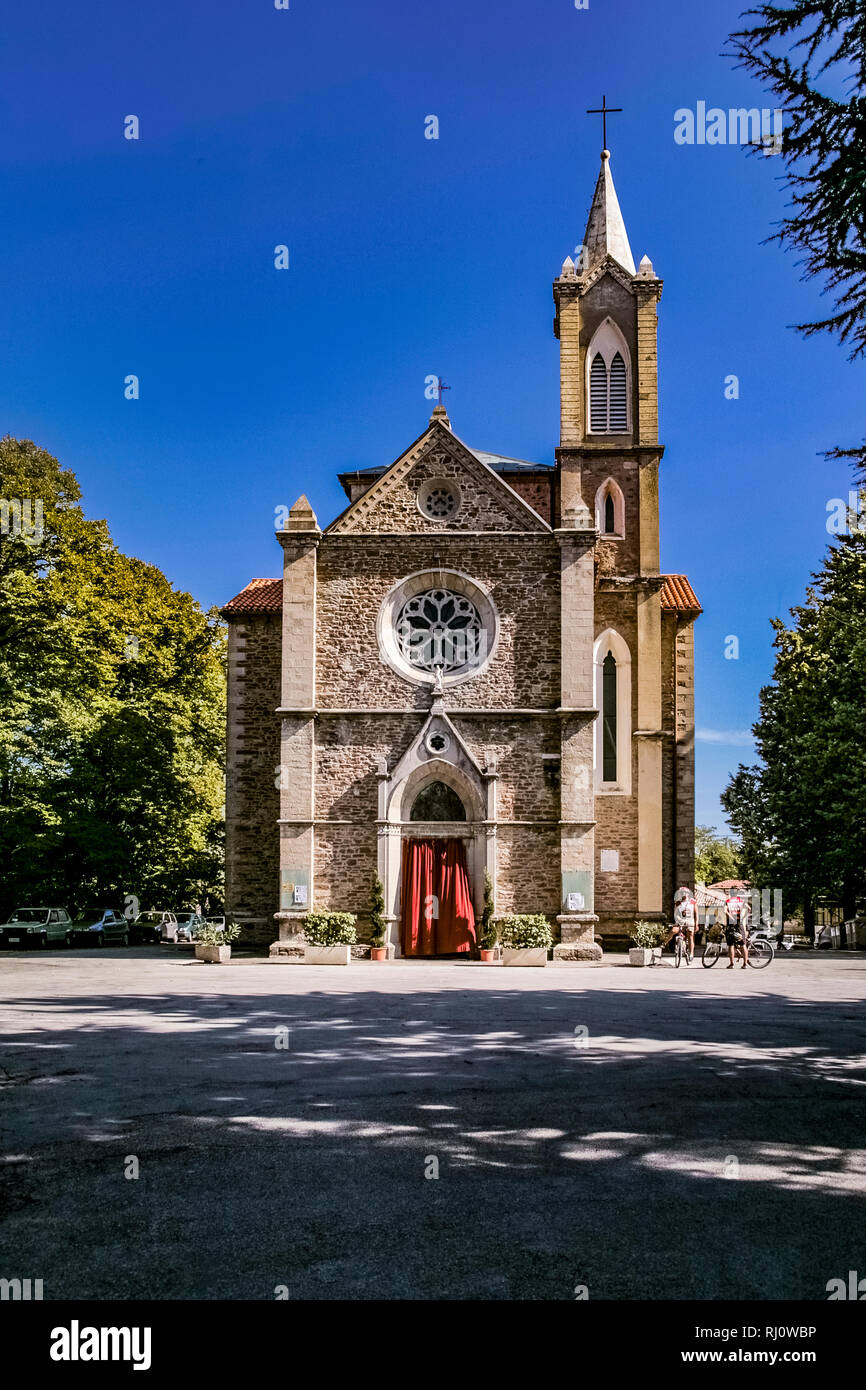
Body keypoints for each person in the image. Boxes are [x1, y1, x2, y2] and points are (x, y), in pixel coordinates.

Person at [724, 888, 748, 969]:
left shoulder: (728, 901)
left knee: (731, 945)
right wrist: (742, 917)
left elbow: (725, 911)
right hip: (739, 924)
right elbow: (749, 909)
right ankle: (745, 964)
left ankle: (731, 964)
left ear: (730, 894)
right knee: (743, 944)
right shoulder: (741, 901)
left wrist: (731, 917)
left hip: (731, 924)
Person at [673, 886, 698, 963]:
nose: (683, 894)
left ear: (688, 894)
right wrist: (677, 920)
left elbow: (696, 914)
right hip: (681, 921)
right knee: (679, 934)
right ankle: (680, 948)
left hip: (690, 921)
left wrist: (696, 924)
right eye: (682, 893)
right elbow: (675, 913)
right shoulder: (677, 902)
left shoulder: (693, 902)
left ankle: (691, 954)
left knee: (690, 935)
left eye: (685, 892)